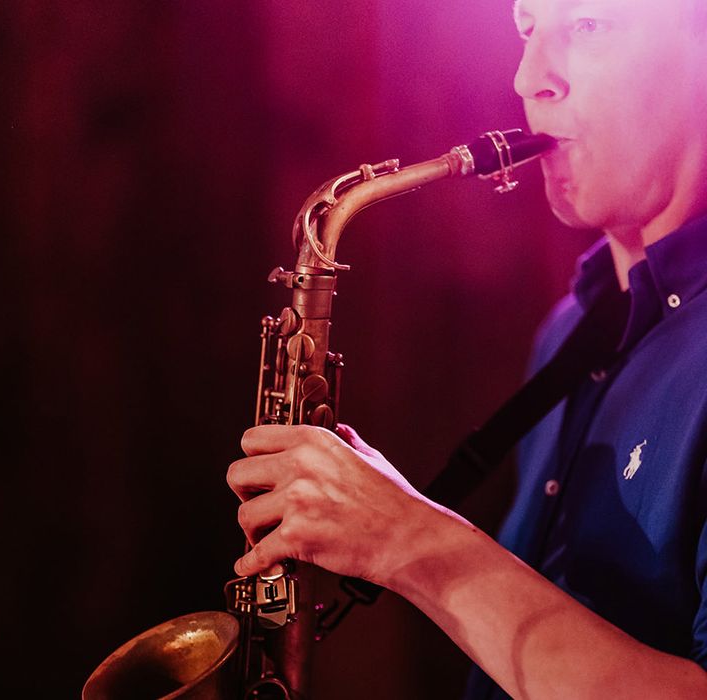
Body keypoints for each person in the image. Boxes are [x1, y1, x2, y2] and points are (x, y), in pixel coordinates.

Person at [227, 0, 707, 696]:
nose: (528, 78)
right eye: (526, 28)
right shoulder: (568, 331)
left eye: (587, 26)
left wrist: (408, 541)